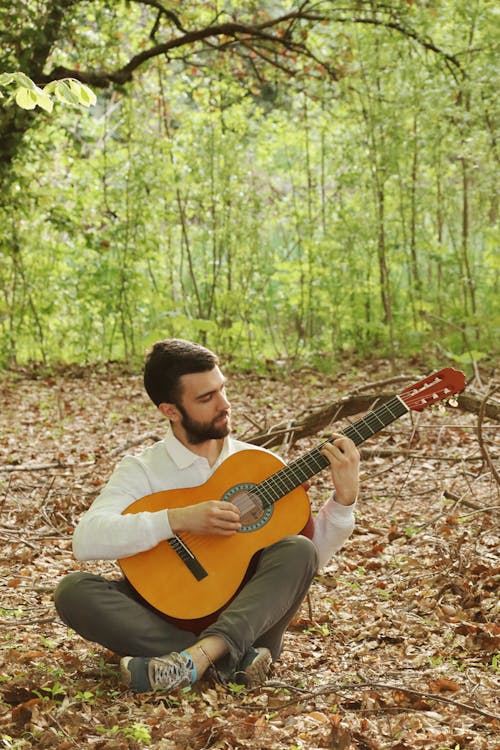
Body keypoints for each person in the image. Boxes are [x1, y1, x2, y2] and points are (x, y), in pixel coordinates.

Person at [54, 339, 360, 694]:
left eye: (222, 389)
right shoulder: (142, 469)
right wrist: (177, 519)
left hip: (250, 616)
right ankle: (231, 660)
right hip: (169, 610)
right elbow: (86, 538)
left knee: (298, 550)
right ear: (170, 410)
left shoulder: (258, 465)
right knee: (73, 590)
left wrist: (344, 501)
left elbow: (307, 562)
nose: (225, 405)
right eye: (206, 398)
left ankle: (195, 660)